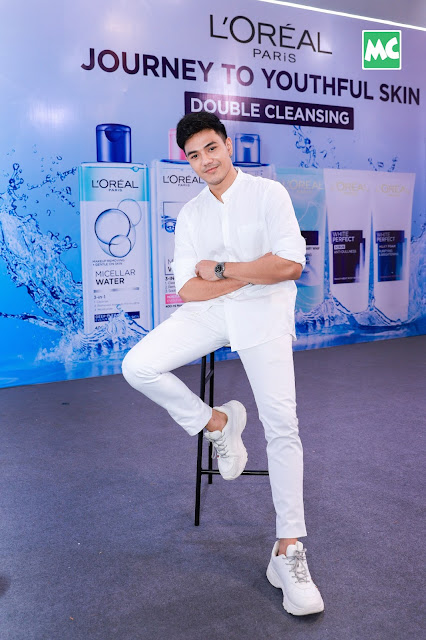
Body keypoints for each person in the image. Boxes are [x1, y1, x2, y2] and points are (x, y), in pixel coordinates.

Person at [122, 111, 324, 616]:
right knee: (137, 366)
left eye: (211, 148)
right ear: (187, 161)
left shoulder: (268, 194)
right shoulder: (191, 213)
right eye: (194, 156)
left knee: (282, 425)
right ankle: (216, 421)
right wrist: (253, 272)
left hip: (263, 314)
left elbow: (290, 265)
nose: (205, 161)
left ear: (228, 145)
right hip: (209, 313)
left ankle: (288, 550)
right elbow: (189, 289)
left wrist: (221, 269)